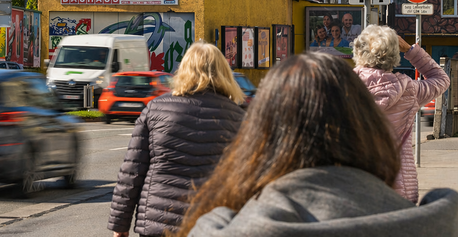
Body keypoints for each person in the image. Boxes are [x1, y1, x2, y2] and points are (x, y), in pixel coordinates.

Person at [174, 51, 458, 237]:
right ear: (369, 128)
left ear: (261, 135)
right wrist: (410, 48)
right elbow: (440, 79)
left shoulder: (220, 229)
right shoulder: (438, 221)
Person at [107, 42, 245, 237]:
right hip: (213, 223)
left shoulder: (156, 109)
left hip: (158, 222)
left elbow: (132, 171)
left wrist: (120, 224)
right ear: (224, 72)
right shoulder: (238, 118)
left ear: (184, 70)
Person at [353, 25, 450, 203]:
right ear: (394, 55)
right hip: (398, 187)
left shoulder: (343, 86)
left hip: (356, 185)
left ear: (358, 51)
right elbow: (441, 79)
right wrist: (410, 50)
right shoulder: (409, 90)